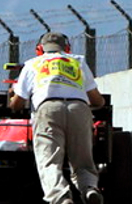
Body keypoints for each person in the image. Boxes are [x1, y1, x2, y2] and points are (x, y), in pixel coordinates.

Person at [8, 32, 106, 204]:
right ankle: (90, 189)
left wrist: (12, 96)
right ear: (67, 48)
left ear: (39, 49)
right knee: (83, 161)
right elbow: (97, 100)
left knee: (50, 161)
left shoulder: (32, 64)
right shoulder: (78, 61)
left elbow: (17, 105)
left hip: (47, 109)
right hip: (79, 108)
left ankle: (61, 198)